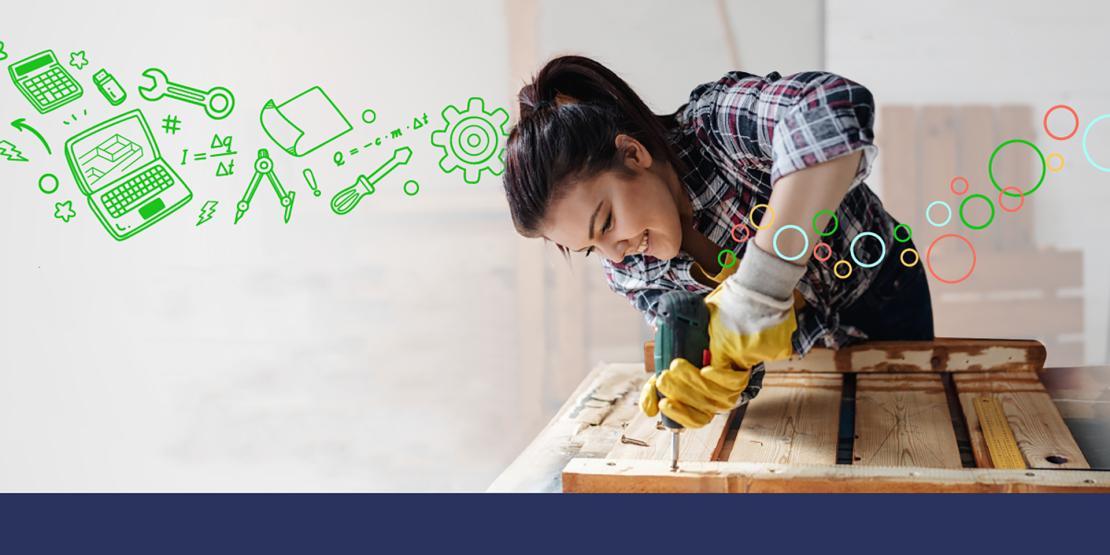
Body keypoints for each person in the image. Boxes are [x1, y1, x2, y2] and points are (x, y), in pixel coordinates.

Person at [501, 55, 934, 428]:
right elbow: (735, 357)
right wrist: (722, 382)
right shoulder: (627, 272)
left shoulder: (715, 127)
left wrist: (761, 286)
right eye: (591, 247)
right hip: (802, 352)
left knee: (912, 427)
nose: (615, 253)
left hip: (883, 291)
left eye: (608, 221)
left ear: (634, 154)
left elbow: (832, 105)